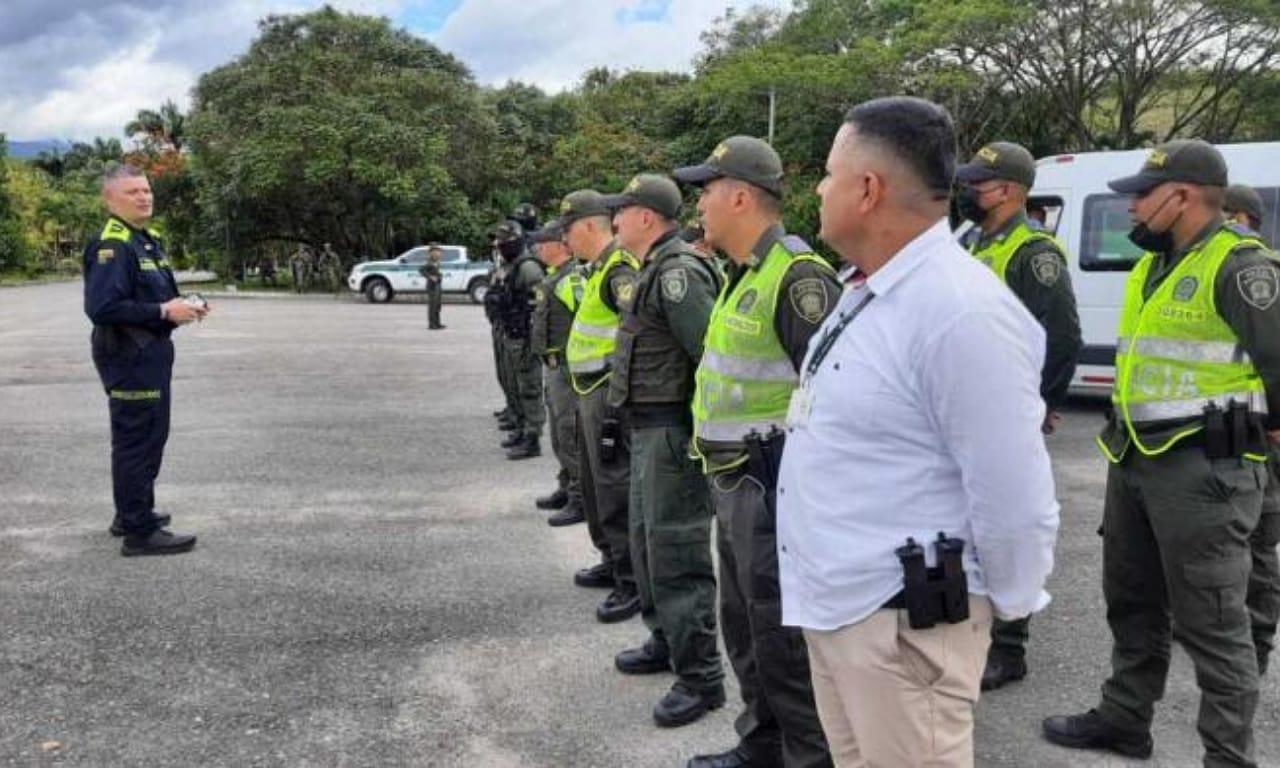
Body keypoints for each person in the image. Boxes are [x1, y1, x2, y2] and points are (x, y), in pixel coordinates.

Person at [778, 97, 1059, 767]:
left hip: (904, 627)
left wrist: (995, 610)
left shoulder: (958, 309)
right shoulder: (870, 291)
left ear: (867, 189)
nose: (818, 189)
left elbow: (1013, 494)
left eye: (827, 173)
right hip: (843, 607)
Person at [1043, 140, 1280, 766]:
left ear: (1180, 197)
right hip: (1137, 459)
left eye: (1140, 196)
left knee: (1215, 627)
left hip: (1205, 474)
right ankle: (1126, 719)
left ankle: (1228, 758)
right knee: (1133, 602)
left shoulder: (1241, 266)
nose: (1130, 209)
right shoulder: (1155, 264)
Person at [673, 136, 840, 768]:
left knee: (780, 633)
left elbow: (833, 397)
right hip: (733, 480)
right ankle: (762, 743)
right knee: (744, 623)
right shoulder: (741, 275)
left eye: (707, 193)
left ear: (740, 196)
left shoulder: (798, 278)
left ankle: (808, 755)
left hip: (773, 486)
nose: (701, 208)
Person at [954, 141, 1083, 691]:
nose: (968, 192)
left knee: (1006, 527)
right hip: (968, 415)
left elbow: (1063, 336)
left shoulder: (1033, 253)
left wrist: (1040, 405)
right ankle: (977, 630)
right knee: (971, 529)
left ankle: (1009, 649)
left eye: (978, 183)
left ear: (1007, 190)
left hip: (1005, 420)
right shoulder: (976, 241)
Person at [602, 173, 726, 727]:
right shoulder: (654, 268)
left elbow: (711, 356)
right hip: (645, 430)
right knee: (646, 544)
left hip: (672, 434)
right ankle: (666, 641)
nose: (614, 220)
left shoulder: (678, 274)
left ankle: (701, 677)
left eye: (622, 211)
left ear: (647, 217)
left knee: (677, 554)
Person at [84, 164, 209, 556]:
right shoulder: (113, 244)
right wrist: (162, 313)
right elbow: (103, 307)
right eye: (133, 191)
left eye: (146, 189)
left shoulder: (145, 240)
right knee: (136, 440)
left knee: (150, 435)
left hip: (149, 352)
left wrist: (183, 305)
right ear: (110, 199)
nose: (144, 197)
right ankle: (139, 532)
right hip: (128, 354)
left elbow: (152, 294)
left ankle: (132, 512)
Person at [562, 189, 643, 615]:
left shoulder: (619, 271)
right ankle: (611, 560)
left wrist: (615, 391)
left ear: (591, 225)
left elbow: (638, 333)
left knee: (614, 488)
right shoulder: (598, 269)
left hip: (608, 396)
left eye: (569, 227)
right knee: (596, 487)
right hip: (589, 392)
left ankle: (631, 580)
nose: (565, 237)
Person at [1221, 186, 1280, 674]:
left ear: (1239, 217)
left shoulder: (1259, 272)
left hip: (1264, 431)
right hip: (1234, 427)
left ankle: (1257, 643)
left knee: (1259, 541)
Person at [529, 219, 587, 527]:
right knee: (558, 433)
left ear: (560, 245)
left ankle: (580, 498)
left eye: (544, 241)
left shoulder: (571, 279)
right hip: (553, 367)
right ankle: (566, 486)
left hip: (567, 369)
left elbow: (584, 316)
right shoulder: (554, 277)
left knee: (569, 433)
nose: (539, 247)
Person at [492, 221, 546, 460]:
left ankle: (532, 437)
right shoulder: (512, 266)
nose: (499, 245)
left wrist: (532, 341)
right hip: (512, 333)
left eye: (503, 241)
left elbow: (538, 309)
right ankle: (523, 428)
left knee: (529, 388)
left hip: (524, 337)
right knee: (516, 384)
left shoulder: (529, 268)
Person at [421, 244, 445, 330]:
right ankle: (432, 324)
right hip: (431, 286)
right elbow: (421, 270)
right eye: (437, 251)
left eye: (439, 251)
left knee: (438, 305)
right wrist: (430, 277)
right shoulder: (429, 261)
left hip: (437, 285)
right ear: (431, 252)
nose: (439, 253)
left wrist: (439, 275)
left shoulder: (436, 261)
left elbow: (435, 271)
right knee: (432, 306)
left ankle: (437, 323)